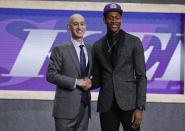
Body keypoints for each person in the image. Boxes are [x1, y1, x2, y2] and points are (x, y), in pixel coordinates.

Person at [92, 3, 147, 131]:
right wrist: (81, 83)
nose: (114, 21)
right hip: (107, 105)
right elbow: (97, 78)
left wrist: (140, 107)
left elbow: (141, 76)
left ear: (121, 19)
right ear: (104, 20)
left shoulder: (134, 41)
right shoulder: (97, 46)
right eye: (110, 18)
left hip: (129, 103)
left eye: (117, 17)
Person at [46, 14, 92, 131]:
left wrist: (92, 82)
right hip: (65, 110)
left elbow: (93, 74)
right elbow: (51, 75)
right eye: (75, 24)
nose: (79, 27)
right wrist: (76, 82)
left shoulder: (91, 49)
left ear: (85, 27)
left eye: (82, 24)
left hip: (84, 108)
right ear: (69, 27)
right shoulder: (59, 49)